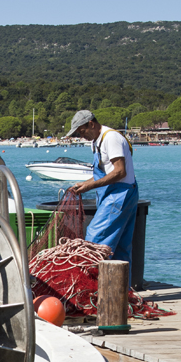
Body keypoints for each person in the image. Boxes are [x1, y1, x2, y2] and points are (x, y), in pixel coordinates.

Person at [65, 109, 138, 278]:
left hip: (119, 194)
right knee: (120, 247)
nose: (82, 136)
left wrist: (90, 187)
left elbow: (119, 172)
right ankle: (123, 293)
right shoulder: (97, 140)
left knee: (95, 238)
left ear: (91, 124)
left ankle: (92, 285)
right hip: (121, 193)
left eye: (82, 131)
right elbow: (106, 173)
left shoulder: (110, 138)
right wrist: (86, 183)